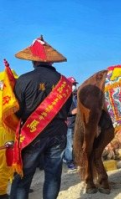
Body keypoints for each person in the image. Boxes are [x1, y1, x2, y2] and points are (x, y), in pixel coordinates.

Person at [10, 36, 72, 199]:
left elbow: (17, 110)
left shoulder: (23, 80)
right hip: (58, 134)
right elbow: (66, 110)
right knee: (52, 176)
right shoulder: (65, 82)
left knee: (23, 178)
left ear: (33, 60)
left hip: (32, 134)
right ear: (51, 61)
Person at [0, 67, 18, 199]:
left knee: (12, 160)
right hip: (4, 131)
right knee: (4, 162)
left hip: (10, 129)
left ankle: (16, 185)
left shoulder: (6, 76)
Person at [63, 77, 78, 170]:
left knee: (74, 143)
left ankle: (73, 158)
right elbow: (62, 111)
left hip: (76, 123)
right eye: (72, 85)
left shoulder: (76, 97)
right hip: (68, 123)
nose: (74, 86)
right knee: (69, 144)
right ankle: (69, 161)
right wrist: (72, 112)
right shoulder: (64, 98)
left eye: (74, 84)